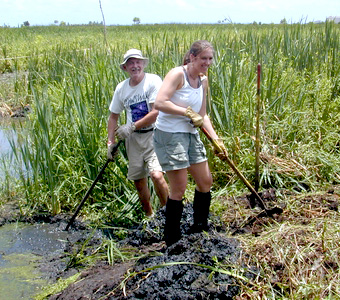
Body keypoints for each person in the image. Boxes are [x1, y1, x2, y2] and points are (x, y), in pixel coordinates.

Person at [153, 40, 227, 246]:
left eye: (210, 58)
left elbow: (203, 116)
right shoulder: (177, 74)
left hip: (190, 134)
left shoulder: (203, 80)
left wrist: (216, 141)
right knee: (179, 188)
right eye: (203, 58)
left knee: (205, 182)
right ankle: (172, 239)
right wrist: (186, 112)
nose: (207, 62)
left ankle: (200, 227)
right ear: (192, 57)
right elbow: (160, 102)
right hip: (169, 135)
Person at [107, 49, 169, 217]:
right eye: (130, 63)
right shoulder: (121, 88)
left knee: (156, 175)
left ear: (143, 64)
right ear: (125, 68)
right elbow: (113, 117)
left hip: (153, 135)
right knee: (139, 181)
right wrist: (111, 142)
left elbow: (156, 112)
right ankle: (149, 216)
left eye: (138, 62)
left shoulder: (153, 81)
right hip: (132, 140)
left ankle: (168, 214)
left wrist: (132, 126)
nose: (135, 66)